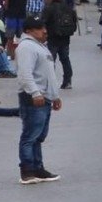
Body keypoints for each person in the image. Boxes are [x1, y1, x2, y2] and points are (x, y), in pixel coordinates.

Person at [15, 15, 61, 184]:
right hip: (34, 97)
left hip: (45, 96)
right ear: (29, 31)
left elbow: (48, 74)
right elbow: (25, 74)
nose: (44, 31)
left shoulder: (39, 46)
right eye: (39, 28)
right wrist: (35, 93)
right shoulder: (27, 47)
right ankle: (27, 171)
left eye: (44, 27)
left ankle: (37, 168)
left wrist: (54, 96)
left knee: (39, 136)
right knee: (30, 135)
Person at [42, 0, 79, 89]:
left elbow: (43, 22)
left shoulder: (48, 8)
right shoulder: (68, 8)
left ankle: (50, 82)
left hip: (52, 37)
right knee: (65, 59)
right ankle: (67, 81)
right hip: (65, 37)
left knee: (50, 60)